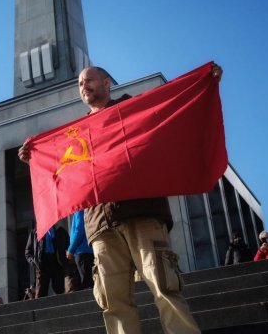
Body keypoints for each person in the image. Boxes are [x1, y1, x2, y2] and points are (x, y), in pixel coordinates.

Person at [19, 65, 222, 334]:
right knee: (114, 303)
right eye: (80, 83)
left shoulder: (131, 110)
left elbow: (170, 106)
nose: (83, 86)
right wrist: (33, 156)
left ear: (106, 83)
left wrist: (203, 81)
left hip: (143, 215)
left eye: (89, 80)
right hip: (101, 228)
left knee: (164, 288)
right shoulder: (75, 135)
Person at [25, 224, 70, 298]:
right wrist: (35, 262)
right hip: (42, 264)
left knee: (60, 290)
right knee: (41, 293)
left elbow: (68, 244)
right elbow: (28, 252)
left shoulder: (59, 230)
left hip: (57, 262)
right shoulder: (35, 232)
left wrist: (65, 257)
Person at [66, 210, 94, 290]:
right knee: (88, 281)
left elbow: (79, 230)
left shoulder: (80, 210)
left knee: (87, 283)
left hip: (82, 251)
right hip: (86, 250)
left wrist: (71, 249)